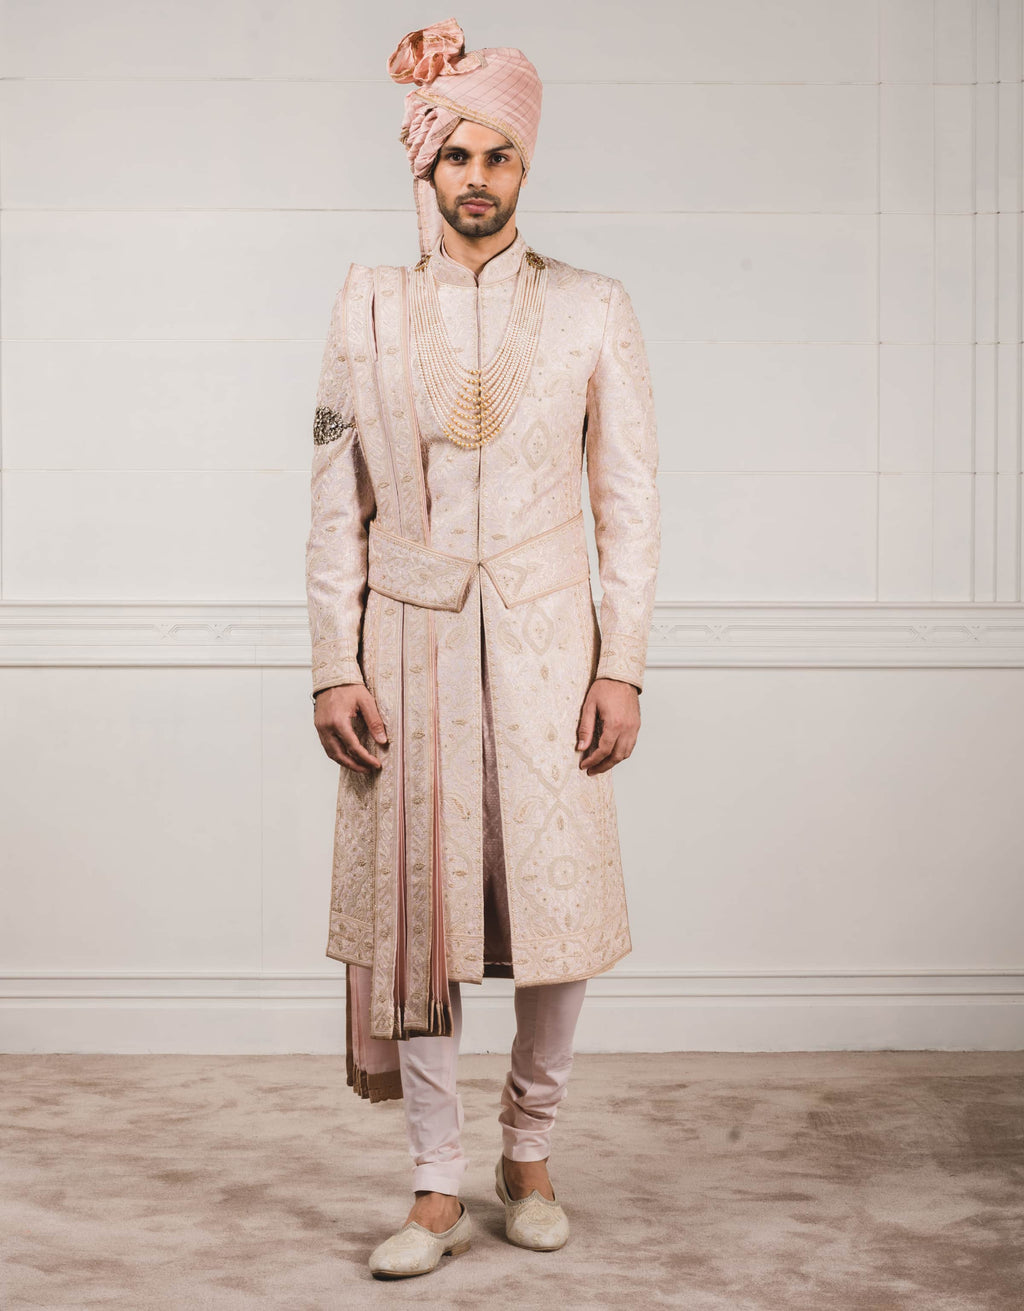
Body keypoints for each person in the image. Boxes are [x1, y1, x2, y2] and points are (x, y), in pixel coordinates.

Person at [304, 16, 660, 1280]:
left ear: (524, 166)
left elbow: (629, 506)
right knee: (420, 919)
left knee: (554, 911)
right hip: (403, 650)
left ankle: (530, 1150)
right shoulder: (370, 306)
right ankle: (432, 1182)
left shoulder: (590, 309)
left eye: (497, 156)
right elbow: (334, 499)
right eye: (454, 153)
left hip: (551, 649)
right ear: (425, 162)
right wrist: (333, 663)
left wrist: (619, 665)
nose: (475, 176)